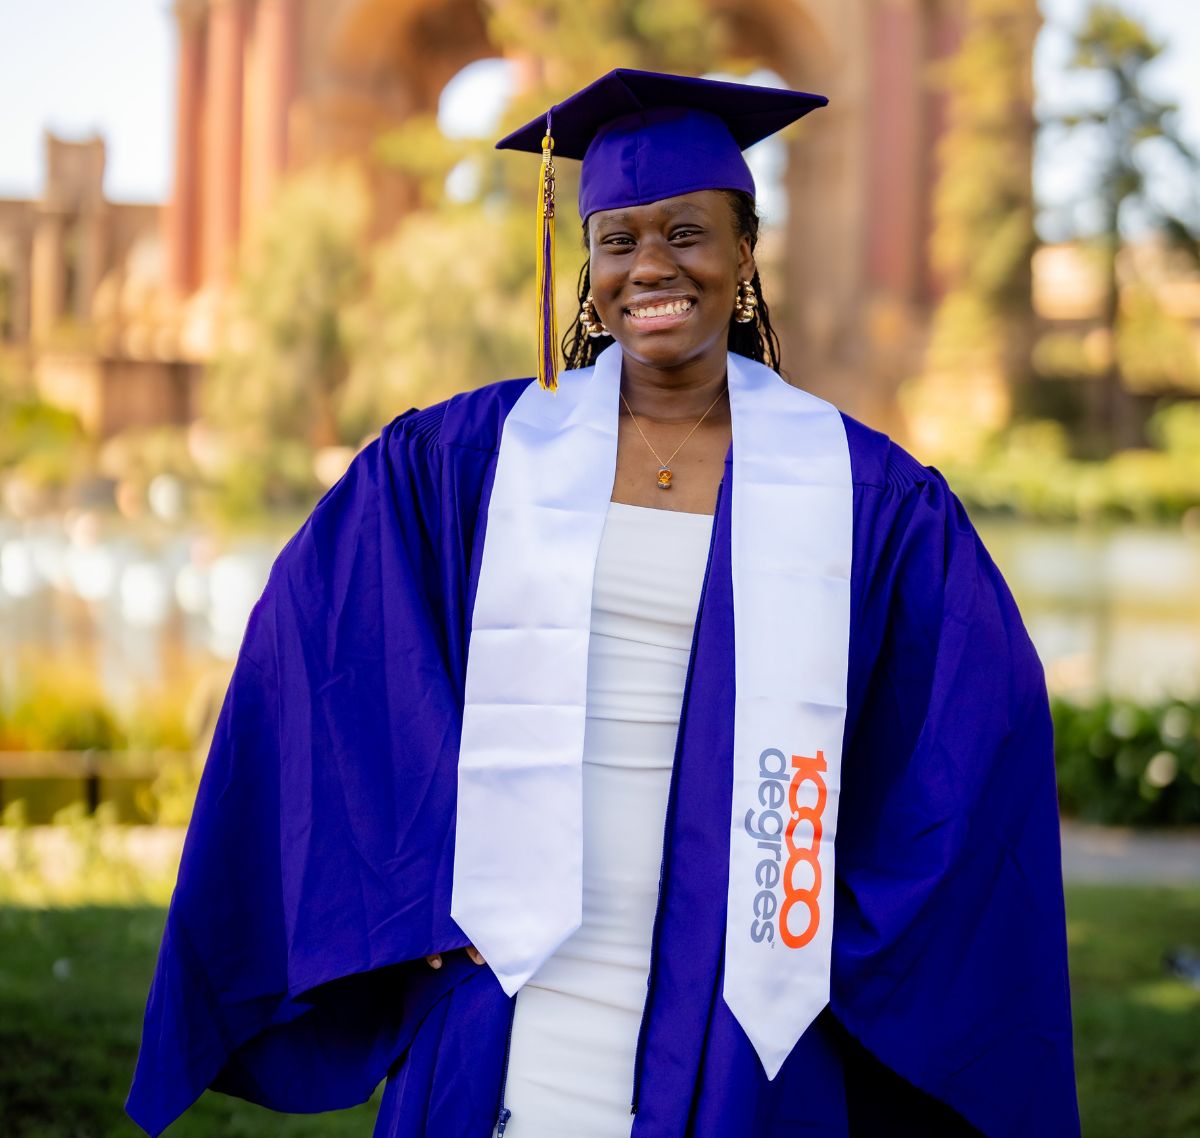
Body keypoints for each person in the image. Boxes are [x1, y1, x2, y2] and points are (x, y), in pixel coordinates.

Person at [127, 70, 1081, 1138]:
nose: (651, 266)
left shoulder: (864, 491)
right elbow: (331, 639)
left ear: (745, 253)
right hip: (515, 960)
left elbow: (976, 714)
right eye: (619, 240)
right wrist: (422, 874)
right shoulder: (471, 456)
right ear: (588, 268)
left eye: (688, 233)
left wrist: (840, 911)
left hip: (744, 970)